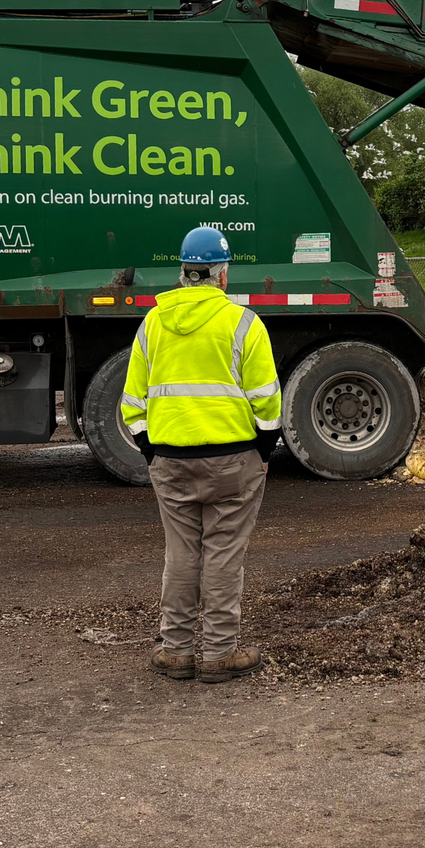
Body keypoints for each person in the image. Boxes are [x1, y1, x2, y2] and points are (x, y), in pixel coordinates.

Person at [122, 226, 283, 684]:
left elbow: (133, 404)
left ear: (183, 273)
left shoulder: (152, 323)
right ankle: (217, 654)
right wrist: (264, 451)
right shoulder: (243, 323)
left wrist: (151, 452)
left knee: (181, 552)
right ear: (222, 274)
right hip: (234, 462)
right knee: (224, 553)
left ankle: (175, 651)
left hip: (170, 460)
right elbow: (267, 401)